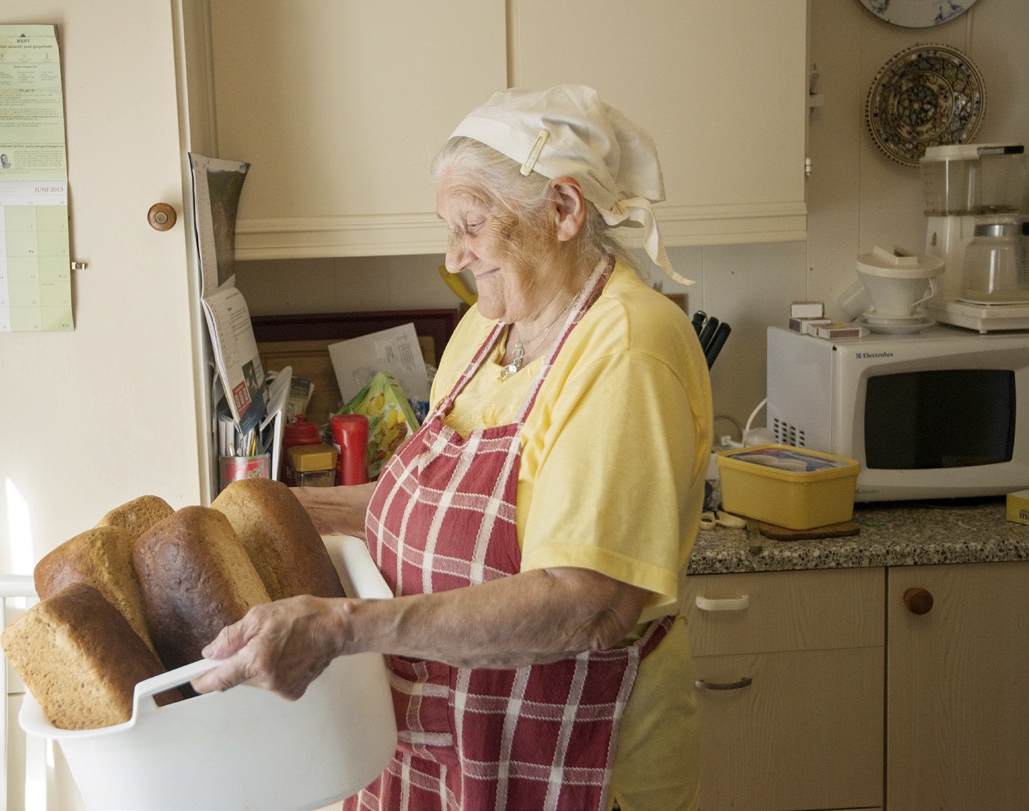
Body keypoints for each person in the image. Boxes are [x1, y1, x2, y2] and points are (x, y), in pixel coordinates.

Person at [192, 85, 713, 811]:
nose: (453, 254)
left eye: (471, 224)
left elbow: (583, 603)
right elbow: (436, 496)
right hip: (446, 738)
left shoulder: (626, 346)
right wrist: (287, 510)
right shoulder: (487, 327)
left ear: (563, 210)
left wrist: (344, 627)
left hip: (571, 753)